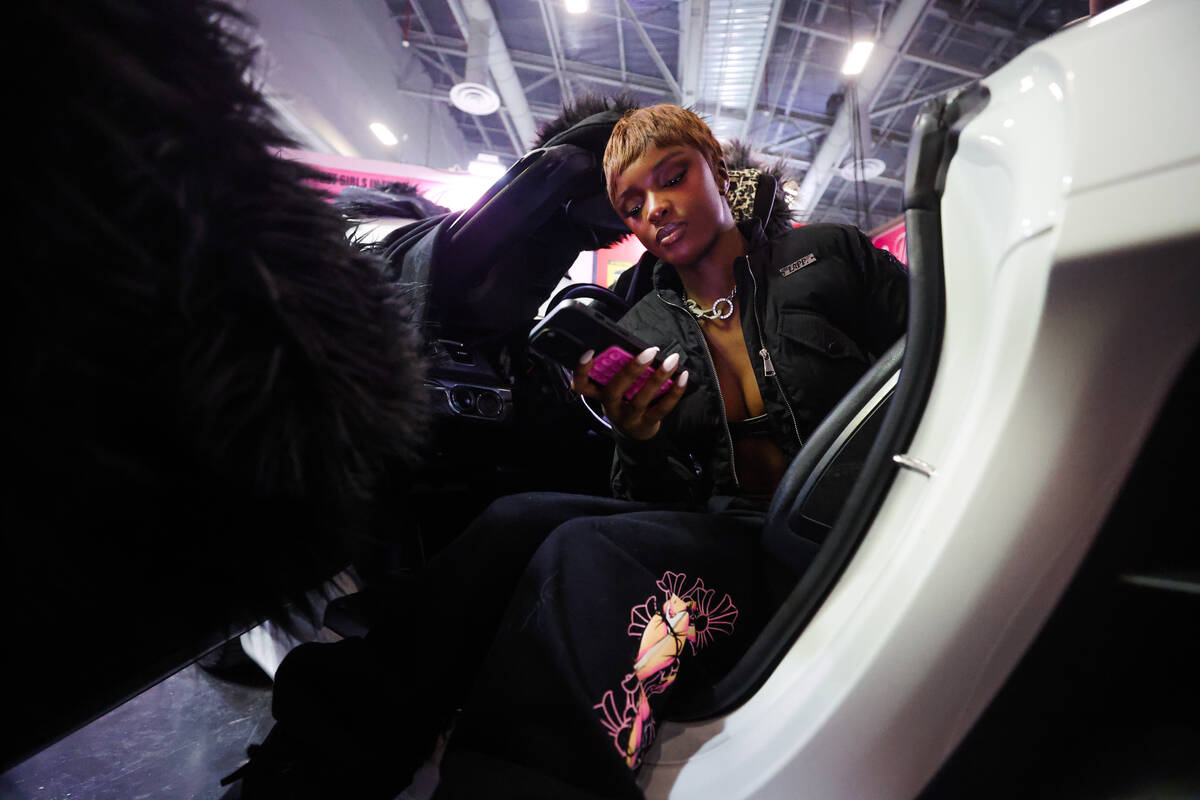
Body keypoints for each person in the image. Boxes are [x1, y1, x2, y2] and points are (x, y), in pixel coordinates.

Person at [232, 105, 907, 799]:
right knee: (516, 520)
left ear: (716, 166)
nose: (656, 210)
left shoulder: (829, 255)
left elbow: (942, 349)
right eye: (632, 204)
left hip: (841, 526)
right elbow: (648, 504)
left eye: (672, 178)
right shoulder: (642, 318)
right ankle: (321, 756)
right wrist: (640, 437)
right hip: (731, 534)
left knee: (587, 555)